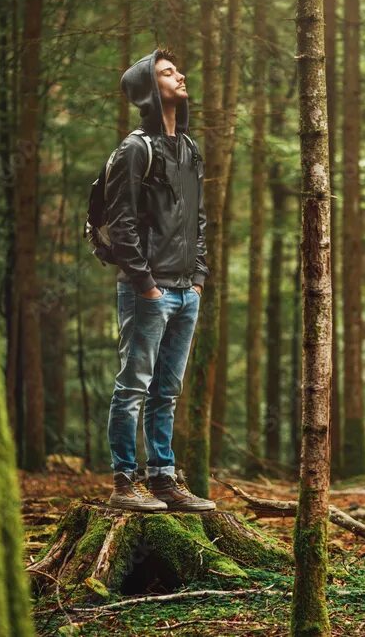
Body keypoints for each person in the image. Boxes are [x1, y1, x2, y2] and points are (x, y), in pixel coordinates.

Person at [104, 48, 215, 512]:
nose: (180, 75)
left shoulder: (189, 149)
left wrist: (199, 279)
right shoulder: (135, 149)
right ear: (150, 88)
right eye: (168, 73)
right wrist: (145, 283)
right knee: (134, 387)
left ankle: (164, 479)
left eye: (178, 70)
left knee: (167, 392)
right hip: (147, 290)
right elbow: (121, 220)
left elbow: (199, 218)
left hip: (186, 289)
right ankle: (124, 483)